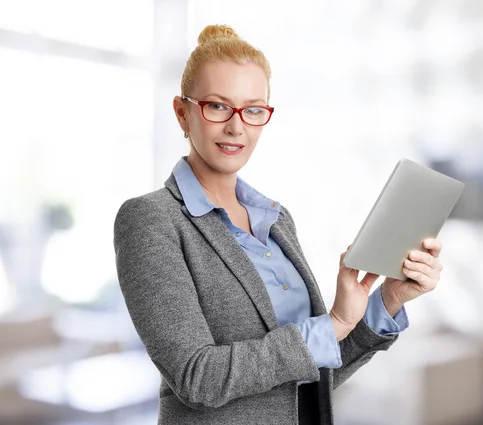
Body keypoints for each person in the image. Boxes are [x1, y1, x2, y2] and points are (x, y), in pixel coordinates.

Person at [113, 24, 444, 425]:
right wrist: (333, 323)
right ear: (183, 113)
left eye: (253, 109)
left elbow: (309, 374)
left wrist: (388, 300)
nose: (237, 127)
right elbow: (196, 377)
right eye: (217, 106)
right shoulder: (152, 220)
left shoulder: (277, 221)